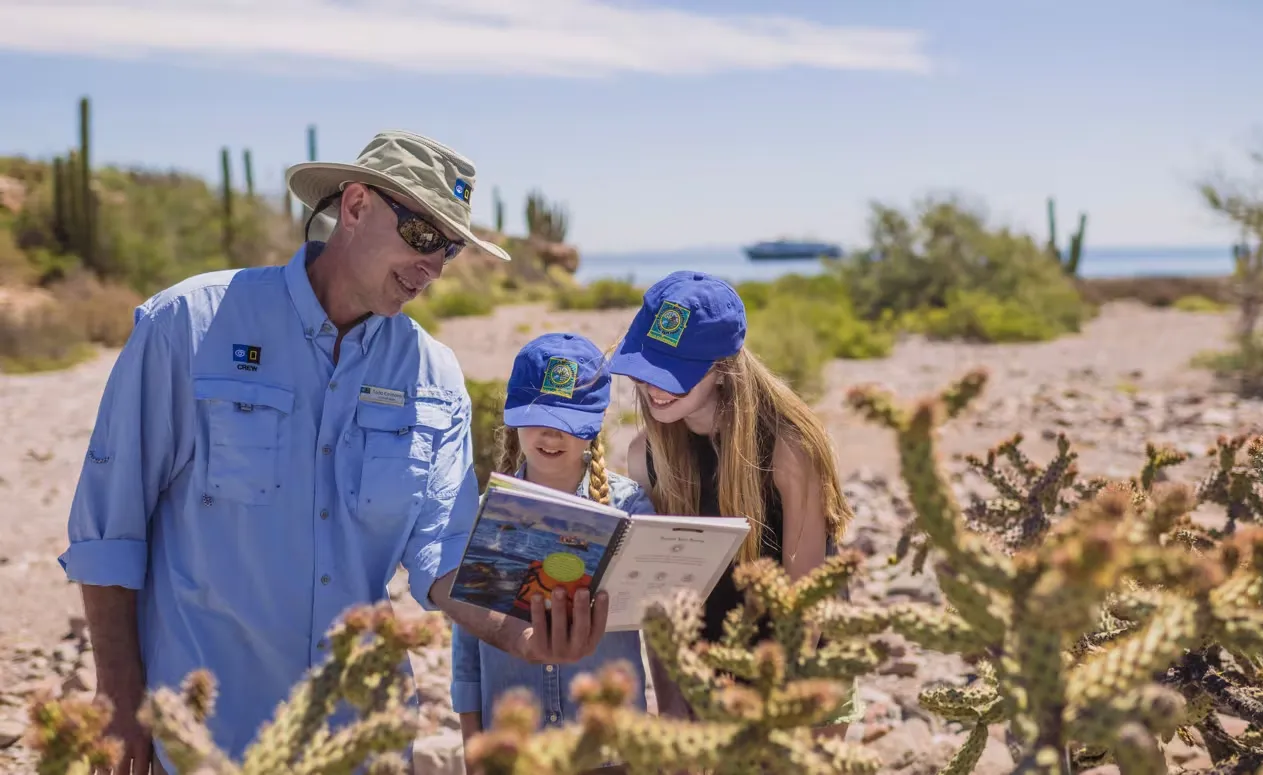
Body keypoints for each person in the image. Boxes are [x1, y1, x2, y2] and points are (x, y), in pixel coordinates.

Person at [59, 130, 608, 775]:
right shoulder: (188, 325)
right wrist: (119, 694)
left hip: (358, 741)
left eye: (450, 248)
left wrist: (520, 630)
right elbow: (109, 528)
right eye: (424, 236)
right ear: (354, 206)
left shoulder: (436, 375)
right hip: (202, 737)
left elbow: (444, 555)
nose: (434, 267)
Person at [605, 270, 859, 733]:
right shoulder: (645, 455)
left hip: (804, 681)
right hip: (707, 677)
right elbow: (661, 597)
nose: (653, 388)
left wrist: (769, 710)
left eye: (674, 374)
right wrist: (675, 709)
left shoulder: (789, 447)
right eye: (646, 368)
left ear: (721, 369)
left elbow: (806, 604)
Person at [451, 332, 651, 775]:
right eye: (536, 417)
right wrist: (473, 749)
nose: (550, 434)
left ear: (594, 425)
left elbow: (661, 624)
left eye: (567, 420)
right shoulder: (485, 513)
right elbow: (466, 647)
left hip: (611, 751)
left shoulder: (632, 507)